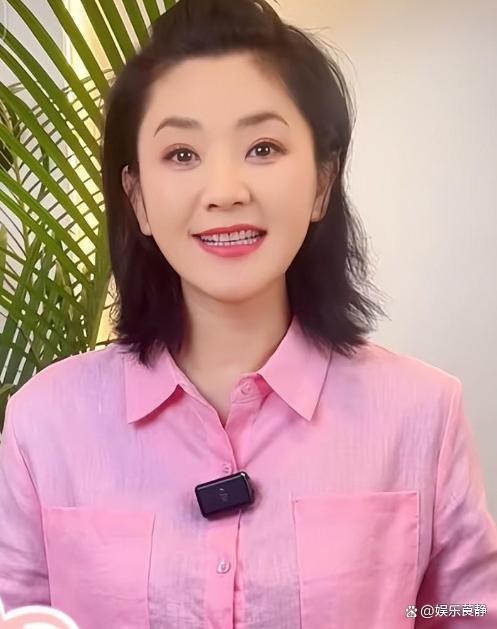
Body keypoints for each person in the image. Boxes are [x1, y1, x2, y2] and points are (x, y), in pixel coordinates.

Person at [0, 0, 496, 627]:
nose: (225, 190)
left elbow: (464, 609)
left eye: (262, 147)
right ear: (138, 198)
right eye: (182, 154)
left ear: (321, 183)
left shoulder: (421, 414)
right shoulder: (45, 426)